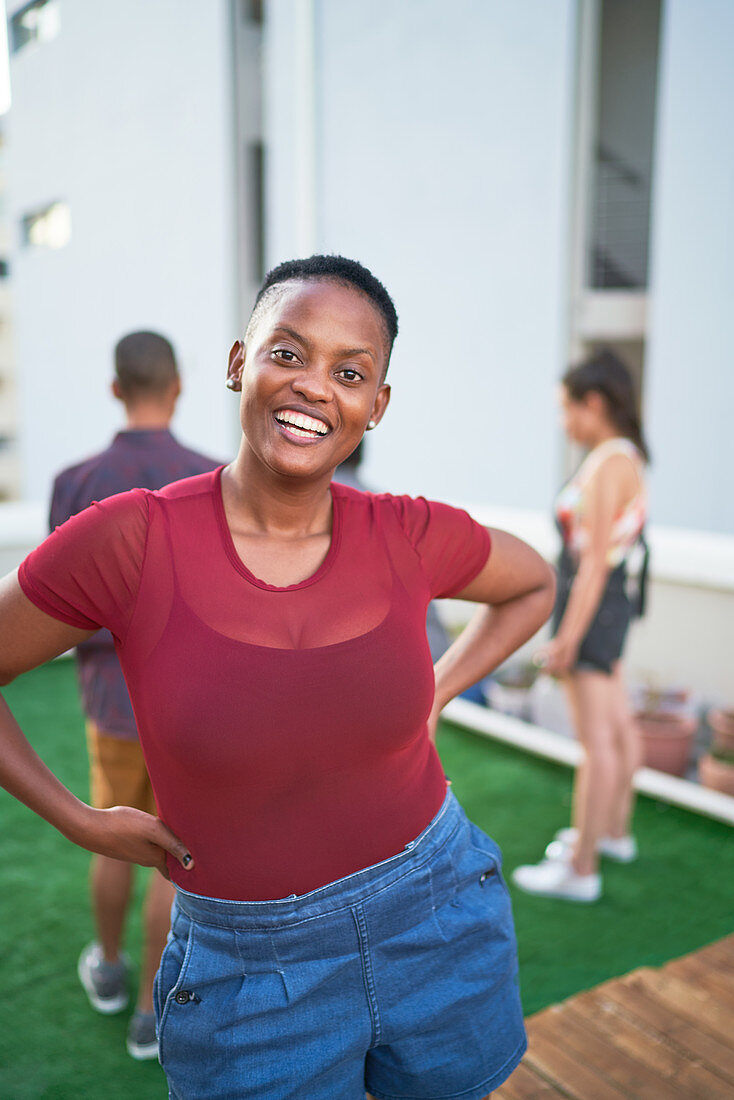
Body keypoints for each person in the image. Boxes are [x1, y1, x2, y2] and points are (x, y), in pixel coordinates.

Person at [0, 256, 555, 1100]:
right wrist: (78, 820)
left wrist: (438, 688)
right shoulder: (133, 540)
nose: (314, 389)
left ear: (377, 406)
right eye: (287, 354)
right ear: (236, 364)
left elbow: (533, 582)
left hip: (436, 914)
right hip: (247, 971)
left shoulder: (406, 532)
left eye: (350, 372)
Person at [49, 331, 219, 1059]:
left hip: (111, 704)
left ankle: (111, 972)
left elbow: (53, 605)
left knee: (110, 833)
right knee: (174, 854)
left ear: (116, 389)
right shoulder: (214, 477)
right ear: (178, 388)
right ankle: (153, 1014)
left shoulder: (75, 480)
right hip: (192, 707)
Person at [512, 349, 649, 903]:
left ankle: (582, 868)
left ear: (594, 404)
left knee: (596, 743)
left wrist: (566, 638)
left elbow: (592, 563)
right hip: (612, 606)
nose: (564, 422)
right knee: (617, 728)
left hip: (593, 608)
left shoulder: (609, 462)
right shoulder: (625, 457)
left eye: (566, 409)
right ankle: (613, 834)